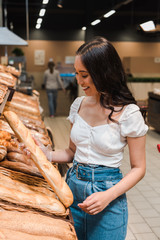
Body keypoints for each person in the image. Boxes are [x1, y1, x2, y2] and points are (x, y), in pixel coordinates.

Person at [35, 37, 148, 240]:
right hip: (71, 192)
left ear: (103, 73)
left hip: (108, 197)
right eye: (77, 74)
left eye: (84, 75)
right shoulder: (78, 105)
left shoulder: (129, 113)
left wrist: (108, 196)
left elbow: (139, 168)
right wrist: (47, 154)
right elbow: (71, 152)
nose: (78, 81)